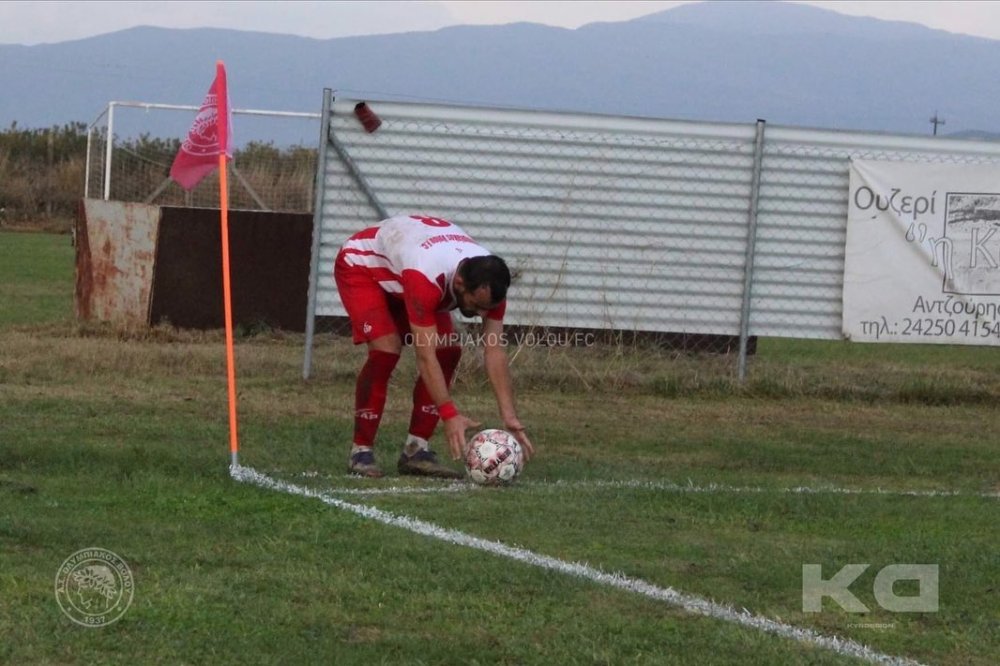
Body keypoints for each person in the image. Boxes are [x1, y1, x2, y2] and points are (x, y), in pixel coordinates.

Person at [334, 213, 535, 478]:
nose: (480, 314)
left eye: (486, 309)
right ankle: (361, 451)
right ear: (460, 283)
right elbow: (424, 356)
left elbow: (494, 350)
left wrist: (509, 416)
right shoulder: (426, 276)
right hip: (362, 266)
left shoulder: (490, 287)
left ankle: (416, 451)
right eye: (475, 306)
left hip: (406, 267)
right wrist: (449, 413)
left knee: (449, 350)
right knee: (387, 349)